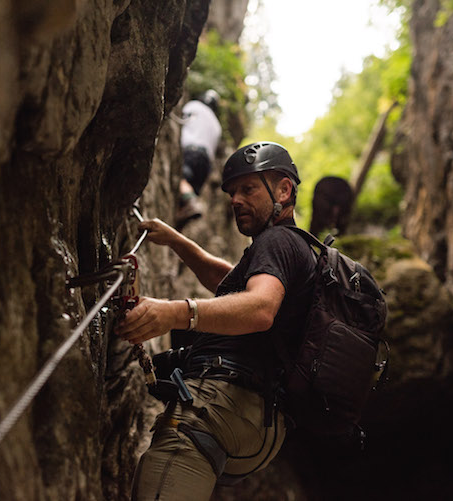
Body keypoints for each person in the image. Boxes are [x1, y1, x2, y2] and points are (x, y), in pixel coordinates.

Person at [116, 142, 316, 501]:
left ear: (284, 190)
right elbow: (231, 284)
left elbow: (259, 308)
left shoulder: (277, 241)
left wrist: (176, 312)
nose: (235, 199)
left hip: (222, 400)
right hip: (256, 416)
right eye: (232, 192)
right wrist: (178, 241)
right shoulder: (293, 248)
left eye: (248, 189)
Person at [175, 90, 223, 230]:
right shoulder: (217, 125)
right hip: (206, 162)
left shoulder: (194, 106)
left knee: (183, 180)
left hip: (192, 151)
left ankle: (190, 201)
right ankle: (180, 220)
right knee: (191, 190)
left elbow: (182, 118)